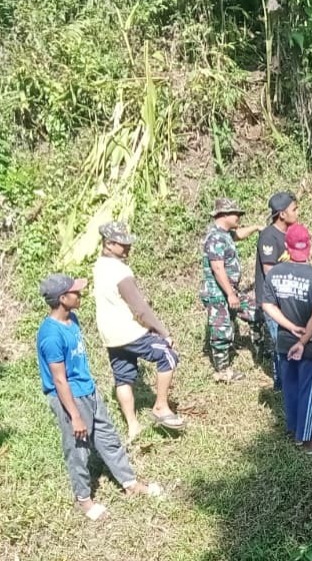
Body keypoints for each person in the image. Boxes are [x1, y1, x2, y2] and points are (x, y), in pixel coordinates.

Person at [36, 273, 163, 521]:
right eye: (75, 292)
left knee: (108, 436)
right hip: (70, 397)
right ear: (62, 298)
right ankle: (84, 500)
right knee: (78, 449)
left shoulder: (72, 320)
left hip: (88, 391)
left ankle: (130, 483)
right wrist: (75, 416)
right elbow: (60, 380)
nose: (80, 294)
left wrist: (91, 392)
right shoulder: (50, 335)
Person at [92, 221, 183, 440]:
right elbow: (140, 308)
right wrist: (163, 332)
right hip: (129, 331)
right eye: (123, 244)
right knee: (168, 356)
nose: (128, 247)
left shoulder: (100, 265)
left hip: (110, 334)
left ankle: (133, 426)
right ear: (109, 244)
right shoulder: (119, 270)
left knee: (122, 377)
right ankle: (161, 406)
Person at [261, 224, 312, 453]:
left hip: (284, 341)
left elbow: (268, 305)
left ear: (287, 247)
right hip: (310, 346)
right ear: (308, 246)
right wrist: (303, 341)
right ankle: (306, 440)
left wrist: (290, 327)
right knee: (308, 390)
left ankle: (293, 428)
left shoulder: (274, 273)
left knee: (290, 387)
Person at [200, 197, 264, 383]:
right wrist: (229, 294)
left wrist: (256, 228)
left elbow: (239, 234)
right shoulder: (215, 237)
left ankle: (262, 351)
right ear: (224, 215)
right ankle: (223, 371)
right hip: (218, 293)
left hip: (230, 291)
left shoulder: (225, 234)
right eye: (236, 214)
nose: (239, 217)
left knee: (256, 312)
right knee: (221, 331)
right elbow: (218, 268)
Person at [255, 191, 299, 390]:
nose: (297, 212)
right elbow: (270, 272)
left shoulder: (290, 233)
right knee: (279, 341)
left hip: (287, 299)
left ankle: (284, 381)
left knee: (286, 340)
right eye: (294, 209)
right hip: (273, 300)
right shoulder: (268, 236)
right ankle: (281, 384)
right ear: (282, 214)